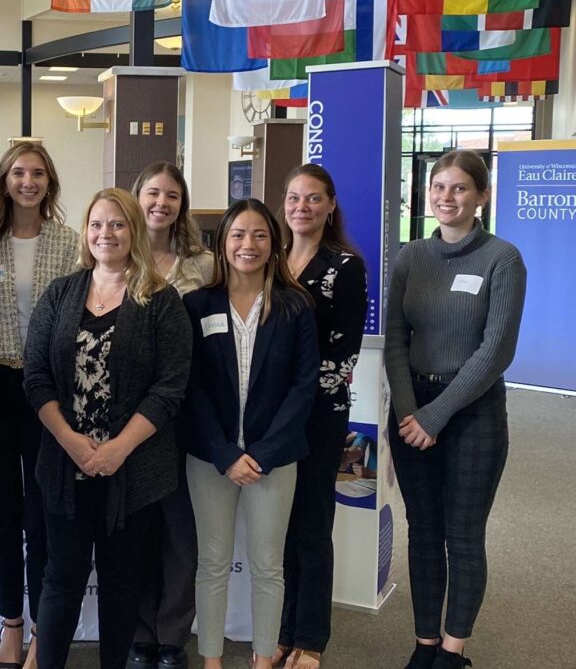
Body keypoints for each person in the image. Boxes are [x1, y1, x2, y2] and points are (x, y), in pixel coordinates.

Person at [23, 188, 192, 669]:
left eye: (117, 224)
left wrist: (118, 448)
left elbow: (170, 387)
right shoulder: (61, 293)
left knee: (122, 584)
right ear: (86, 232)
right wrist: (71, 442)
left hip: (134, 471)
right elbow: (36, 377)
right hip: (64, 465)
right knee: (61, 580)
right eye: (97, 224)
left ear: (134, 230)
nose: (106, 234)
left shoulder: (162, 300)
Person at [385, 150, 526, 669]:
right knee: (422, 531)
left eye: (460, 188)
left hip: (472, 412)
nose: (446, 197)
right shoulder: (410, 257)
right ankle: (424, 646)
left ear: (481, 196)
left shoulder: (502, 258)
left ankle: (452, 650)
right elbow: (397, 340)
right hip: (412, 410)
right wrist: (409, 412)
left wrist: (435, 416)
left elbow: (496, 351)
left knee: (462, 535)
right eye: (438, 187)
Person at [182, 199, 319, 669]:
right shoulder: (197, 304)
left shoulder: (295, 306)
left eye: (260, 234)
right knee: (213, 565)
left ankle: (262, 661)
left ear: (274, 244)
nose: (249, 244)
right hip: (211, 457)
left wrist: (262, 453)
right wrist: (224, 454)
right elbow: (190, 388)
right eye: (238, 234)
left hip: (274, 459)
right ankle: (212, 661)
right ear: (221, 243)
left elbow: (304, 388)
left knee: (268, 568)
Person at [0, 142, 79, 669]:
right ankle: (10, 622)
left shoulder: (72, 244)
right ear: (4, 181)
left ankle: (42, 631)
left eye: (37, 173)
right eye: (17, 173)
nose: (27, 181)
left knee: (47, 515)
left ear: (49, 182)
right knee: (5, 514)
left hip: (51, 389)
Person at [274, 164, 367, 669]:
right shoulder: (271, 259)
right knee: (280, 528)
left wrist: (292, 399)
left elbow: (343, 355)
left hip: (317, 415)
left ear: (331, 205)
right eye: (293, 198)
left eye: (313, 199)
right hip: (271, 418)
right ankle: (284, 629)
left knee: (311, 525)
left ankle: (311, 638)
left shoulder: (345, 266)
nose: (301, 208)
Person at [128, 162, 214, 669]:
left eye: (172, 196)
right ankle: (141, 633)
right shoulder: (118, 255)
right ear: (136, 197)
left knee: (181, 530)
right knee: (140, 527)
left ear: (182, 204)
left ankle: (172, 637)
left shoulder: (202, 265)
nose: (161, 203)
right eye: (153, 193)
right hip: (131, 419)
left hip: (187, 412)